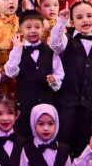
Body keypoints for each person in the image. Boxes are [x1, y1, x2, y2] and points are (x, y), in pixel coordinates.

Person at [4, 10, 63, 140]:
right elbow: (11, 72)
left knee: (47, 138)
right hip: (25, 105)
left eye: (37, 27)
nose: (33, 31)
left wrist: (54, 80)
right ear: (20, 30)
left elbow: (59, 74)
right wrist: (17, 49)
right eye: (28, 27)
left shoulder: (50, 51)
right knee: (25, 139)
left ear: (43, 29)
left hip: (47, 105)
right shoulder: (17, 50)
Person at [52, 2, 92, 151]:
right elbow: (54, 44)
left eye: (89, 16)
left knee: (85, 144)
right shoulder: (66, 40)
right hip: (67, 103)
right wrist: (62, 21)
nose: (85, 20)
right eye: (79, 17)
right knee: (63, 143)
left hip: (90, 106)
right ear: (72, 22)